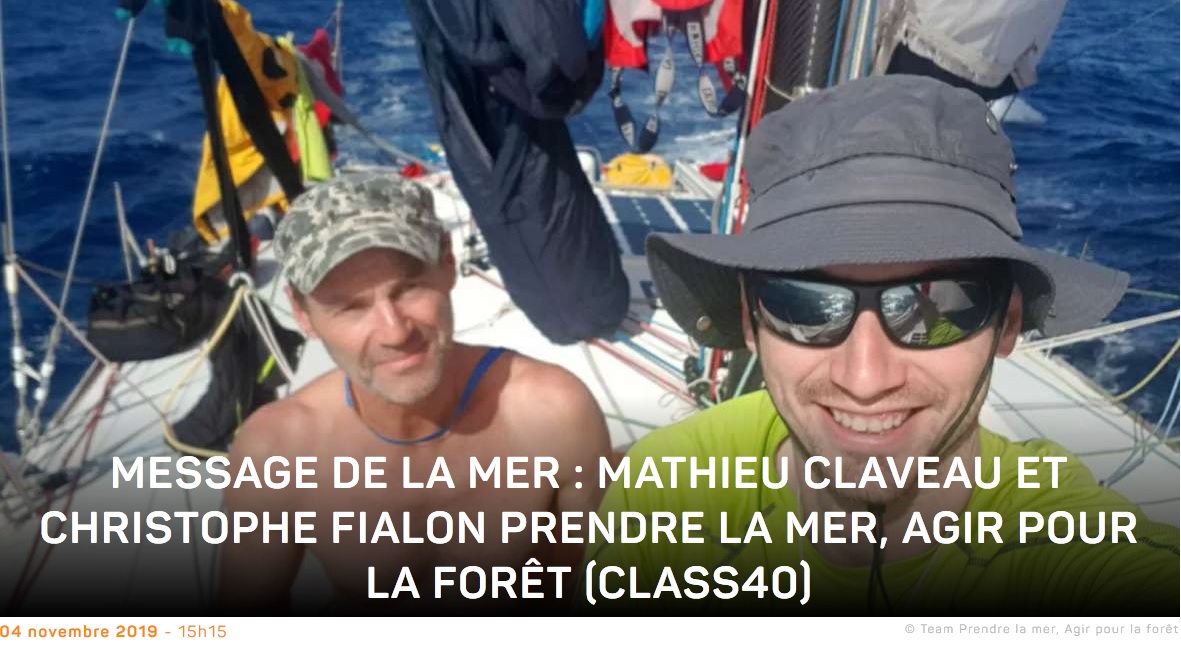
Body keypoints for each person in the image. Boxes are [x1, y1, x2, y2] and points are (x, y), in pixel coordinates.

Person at [586, 75, 1179, 615]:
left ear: (1006, 323)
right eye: (802, 304)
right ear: (751, 319)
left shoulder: (1063, 539)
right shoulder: (675, 489)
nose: (865, 380)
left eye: (938, 303)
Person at [219, 173, 611, 611]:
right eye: (350, 307)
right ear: (303, 314)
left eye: (409, 288)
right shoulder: (277, 453)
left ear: (448, 263)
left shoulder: (553, 416)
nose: (395, 332)